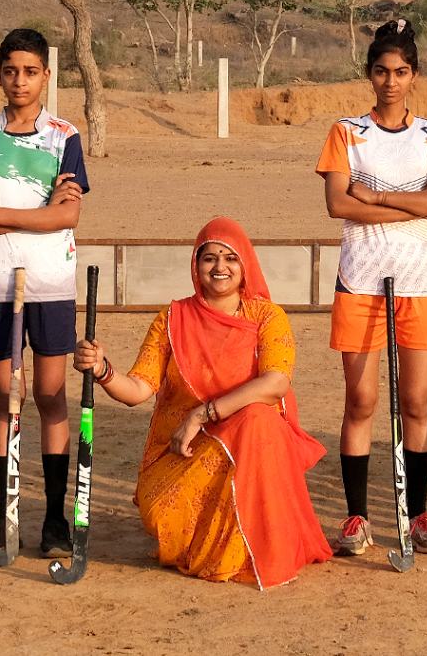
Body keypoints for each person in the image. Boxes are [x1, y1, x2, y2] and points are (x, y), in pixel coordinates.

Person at [70, 217, 332, 587]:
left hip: (251, 447)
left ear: (246, 266)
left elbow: (275, 383)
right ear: (196, 265)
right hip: (185, 453)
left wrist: (203, 413)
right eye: (210, 258)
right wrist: (102, 371)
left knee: (260, 419)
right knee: (162, 514)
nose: (220, 268)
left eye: (230, 258)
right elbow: (139, 389)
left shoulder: (266, 317)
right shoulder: (173, 319)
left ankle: (254, 552)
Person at [316, 18, 427, 557]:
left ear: (414, 75)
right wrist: (411, 199)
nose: (391, 81)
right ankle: (356, 517)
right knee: (362, 400)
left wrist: (373, 199)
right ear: (369, 75)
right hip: (361, 281)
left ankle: (418, 513)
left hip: (421, 282)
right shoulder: (346, 132)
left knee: (416, 403)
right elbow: (337, 203)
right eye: (381, 71)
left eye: (401, 72)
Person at [0, 29, 89, 561]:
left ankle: (54, 518)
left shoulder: (64, 136)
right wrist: (31, 216)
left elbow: (69, 215)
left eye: (30, 71)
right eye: (11, 70)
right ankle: (1, 514)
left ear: (46, 77)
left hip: (51, 282)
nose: (20, 80)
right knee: (8, 398)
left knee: (53, 396)